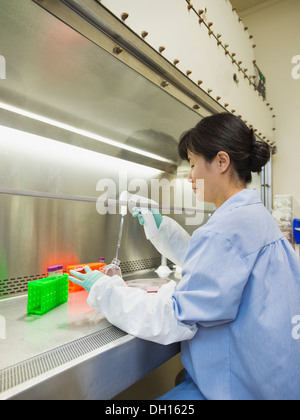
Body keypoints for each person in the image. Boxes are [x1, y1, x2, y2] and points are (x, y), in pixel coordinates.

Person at [69, 113, 300, 400]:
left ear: (221, 162)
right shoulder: (252, 217)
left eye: (192, 164)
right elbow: (218, 268)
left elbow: (171, 319)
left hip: (237, 389)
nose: (189, 176)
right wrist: (162, 230)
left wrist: (104, 289)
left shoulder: (226, 230)